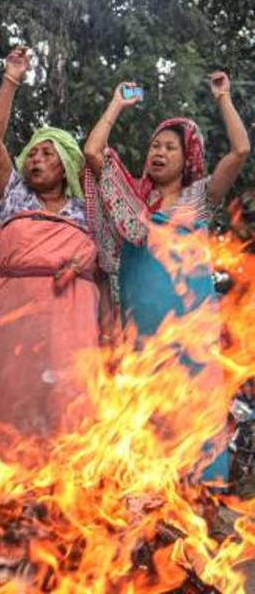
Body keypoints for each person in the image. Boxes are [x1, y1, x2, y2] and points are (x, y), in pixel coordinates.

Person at [83, 73, 250, 480]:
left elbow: (241, 150)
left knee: (195, 414)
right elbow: (92, 152)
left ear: (187, 155)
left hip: (191, 333)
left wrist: (223, 97)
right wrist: (117, 105)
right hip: (140, 334)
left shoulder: (199, 201)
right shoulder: (130, 204)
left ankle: (203, 497)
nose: (158, 152)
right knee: (143, 423)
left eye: (169, 147)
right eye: (155, 145)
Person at [0, 46, 106, 446]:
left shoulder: (87, 208)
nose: (35, 160)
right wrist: (11, 78)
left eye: (47, 154)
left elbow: (103, 267)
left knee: (69, 398)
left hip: (72, 317)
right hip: (18, 311)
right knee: (18, 397)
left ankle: (71, 496)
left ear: (66, 165)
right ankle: (16, 496)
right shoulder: (15, 197)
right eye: (31, 153)